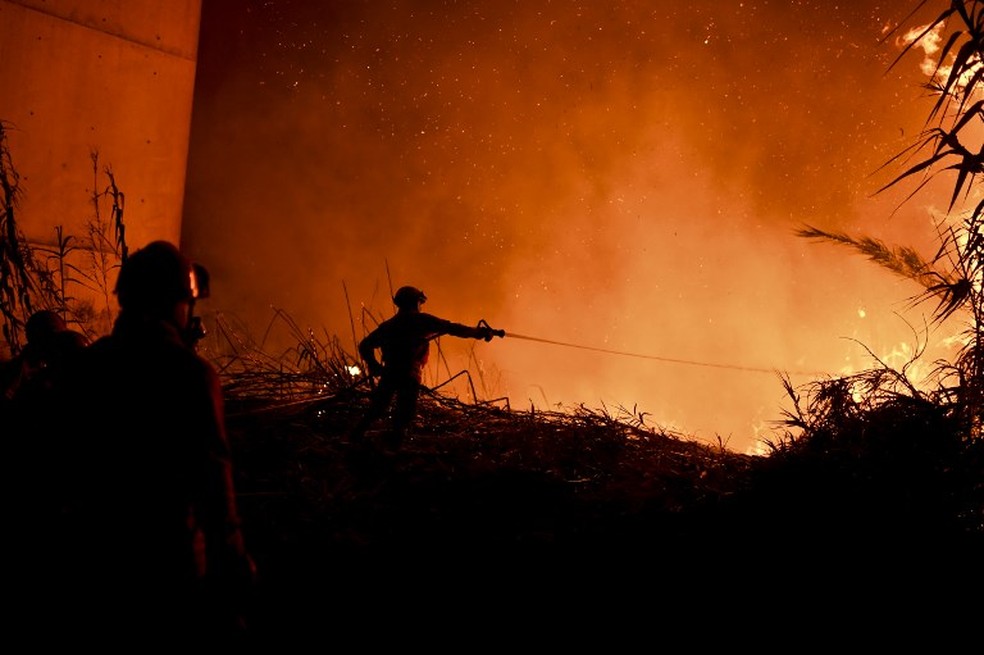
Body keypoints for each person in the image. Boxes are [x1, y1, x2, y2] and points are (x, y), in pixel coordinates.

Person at [27, 240, 256, 643]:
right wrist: (234, 568)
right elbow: (213, 483)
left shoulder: (87, 365)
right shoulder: (189, 374)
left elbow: (53, 460)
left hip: (93, 557)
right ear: (177, 303)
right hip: (169, 560)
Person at [351, 285, 504, 450]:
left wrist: (374, 365)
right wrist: (479, 333)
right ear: (416, 303)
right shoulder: (421, 320)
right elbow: (452, 328)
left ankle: (355, 437)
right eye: (419, 302)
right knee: (405, 412)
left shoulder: (389, 326)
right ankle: (393, 447)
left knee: (378, 407)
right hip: (409, 374)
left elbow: (365, 345)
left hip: (390, 373)